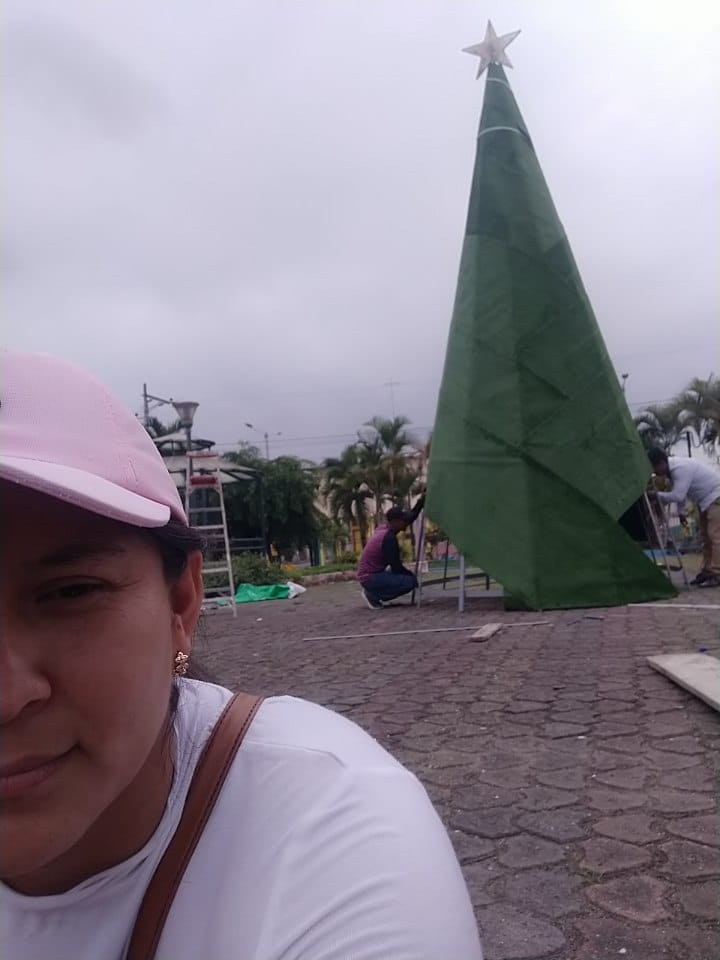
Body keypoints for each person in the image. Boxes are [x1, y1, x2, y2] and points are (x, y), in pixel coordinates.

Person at [0, 349, 482, 960]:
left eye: (70, 593)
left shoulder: (327, 831)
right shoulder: (388, 537)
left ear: (181, 603)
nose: (7, 698)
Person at [647, 447, 720, 588]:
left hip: (716, 496)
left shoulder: (680, 469)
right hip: (705, 500)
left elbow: (678, 495)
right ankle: (708, 571)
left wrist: (655, 495)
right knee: (706, 538)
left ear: (661, 463)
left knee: (715, 536)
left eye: (654, 468)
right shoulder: (672, 473)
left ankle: (717, 573)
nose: (654, 472)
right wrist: (681, 512)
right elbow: (682, 494)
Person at [357, 497, 425, 609]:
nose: (406, 523)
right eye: (403, 520)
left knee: (407, 578)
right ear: (395, 522)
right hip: (369, 577)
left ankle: (373, 591)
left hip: (374, 573)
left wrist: (421, 500)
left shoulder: (387, 528)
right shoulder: (388, 539)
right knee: (409, 582)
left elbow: (411, 516)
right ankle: (373, 595)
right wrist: (412, 577)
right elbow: (396, 566)